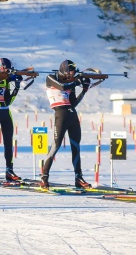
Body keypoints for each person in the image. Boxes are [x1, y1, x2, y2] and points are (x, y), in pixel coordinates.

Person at [40, 59, 91, 189]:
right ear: (64, 70)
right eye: (70, 73)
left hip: (72, 114)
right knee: (55, 146)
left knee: (76, 147)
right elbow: (62, 87)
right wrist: (76, 81)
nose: (71, 76)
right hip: (60, 114)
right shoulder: (51, 78)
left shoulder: (71, 82)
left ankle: (78, 178)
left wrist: (84, 90)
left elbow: (73, 103)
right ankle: (44, 177)